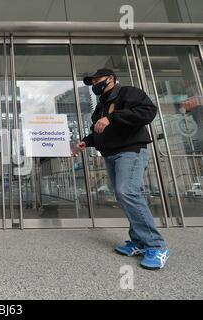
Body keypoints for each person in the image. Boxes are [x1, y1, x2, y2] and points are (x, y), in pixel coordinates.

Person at [73, 68, 169, 270]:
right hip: (110, 153)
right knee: (123, 195)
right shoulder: (100, 107)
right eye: (93, 82)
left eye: (98, 80)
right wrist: (85, 142)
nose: (95, 84)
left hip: (130, 151)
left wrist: (112, 117)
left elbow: (148, 111)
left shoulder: (128, 93)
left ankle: (156, 245)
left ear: (111, 79)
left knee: (128, 192)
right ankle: (138, 242)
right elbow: (100, 131)